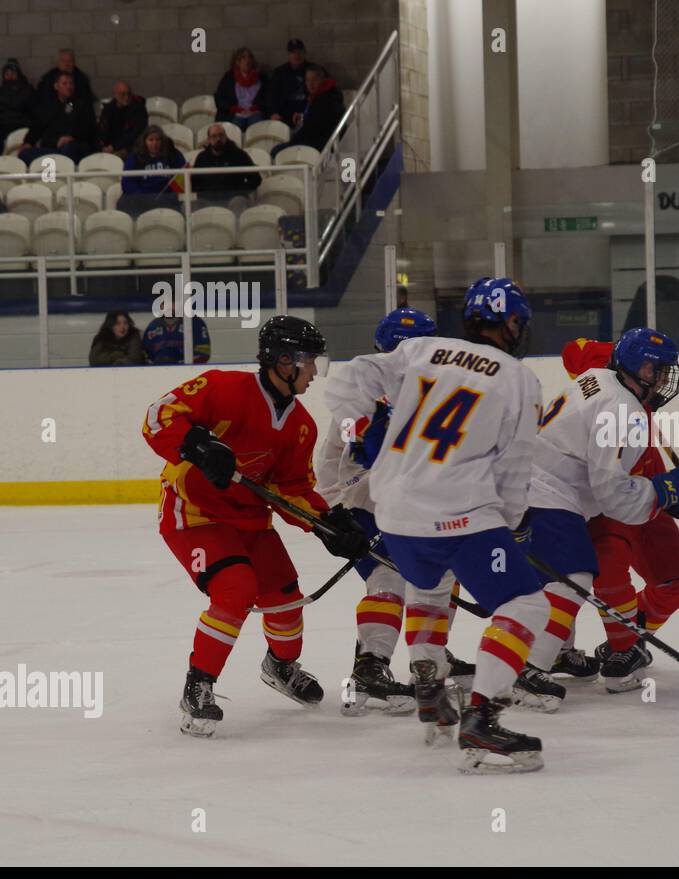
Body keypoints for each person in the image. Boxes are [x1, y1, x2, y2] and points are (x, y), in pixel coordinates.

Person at [323, 278, 552, 774]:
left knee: (429, 587)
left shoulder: (423, 350)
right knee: (527, 603)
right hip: (460, 512)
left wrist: (361, 427)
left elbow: (344, 381)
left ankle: (429, 683)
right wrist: (509, 526)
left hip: (394, 511)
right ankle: (483, 719)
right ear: (512, 323)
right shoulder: (518, 378)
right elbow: (514, 469)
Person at [142, 316, 370, 737]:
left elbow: (292, 488)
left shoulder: (301, 425)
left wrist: (327, 522)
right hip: (194, 515)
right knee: (236, 589)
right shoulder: (222, 388)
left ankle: (280, 667)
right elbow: (158, 416)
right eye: (309, 362)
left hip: (250, 521)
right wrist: (195, 443)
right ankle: (199, 685)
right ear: (284, 361)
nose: (315, 372)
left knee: (286, 599)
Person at [518, 327, 679, 702]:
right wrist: (664, 491)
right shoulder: (625, 413)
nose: (663, 379)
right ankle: (530, 669)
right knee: (572, 578)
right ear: (639, 368)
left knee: (560, 579)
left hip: (534, 485)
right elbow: (613, 497)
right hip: (550, 494)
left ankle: (534, 661)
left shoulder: (599, 377)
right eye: (658, 370)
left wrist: (664, 488)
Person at [316, 307, 474, 719]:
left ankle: (430, 654)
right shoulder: (363, 400)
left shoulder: (440, 398)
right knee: (389, 579)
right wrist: (335, 510)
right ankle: (371, 665)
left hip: (416, 507)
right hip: (366, 508)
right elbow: (332, 458)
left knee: (442, 575)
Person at [19, 71, 97, 164]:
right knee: (24, 154)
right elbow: (37, 126)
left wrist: (71, 137)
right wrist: (28, 142)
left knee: (68, 149)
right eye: (64, 83)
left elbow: (89, 128)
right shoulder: (48, 107)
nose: (69, 87)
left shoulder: (82, 105)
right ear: (56, 86)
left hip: (73, 147)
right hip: (51, 148)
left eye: (71, 83)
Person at [272, 65, 342, 156]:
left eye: (314, 80)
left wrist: (292, 142)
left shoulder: (327, 99)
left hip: (319, 144)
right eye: (307, 80)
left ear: (322, 80)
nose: (310, 84)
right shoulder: (319, 96)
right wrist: (303, 117)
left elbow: (312, 128)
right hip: (312, 139)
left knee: (276, 152)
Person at [192, 122, 261, 214]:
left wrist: (239, 191)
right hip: (207, 201)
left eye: (221, 135)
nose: (218, 139)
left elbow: (256, 178)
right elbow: (194, 182)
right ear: (209, 139)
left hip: (232, 200)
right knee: (191, 205)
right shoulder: (201, 157)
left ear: (226, 136)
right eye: (214, 136)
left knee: (238, 201)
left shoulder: (239, 154)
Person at [119, 125, 186, 216]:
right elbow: (127, 182)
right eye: (151, 140)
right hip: (142, 199)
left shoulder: (173, 154)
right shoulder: (135, 157)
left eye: (158, 140)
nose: (155, 143)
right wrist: (143, 197)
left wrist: (169, 195)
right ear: (144, 141)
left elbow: (183, 176)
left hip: (166, 199)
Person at [214, 48, 269, 131]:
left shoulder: (261, 77)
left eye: (249, 57)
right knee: (233, 130)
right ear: (237, 61)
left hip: (254, 113)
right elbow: (219, 97)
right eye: (244, 57)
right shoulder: (229, 77)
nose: (247, 60)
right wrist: (232, 108)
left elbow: (268, 96)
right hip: (236, 114)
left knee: (257, 128)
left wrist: (258, 106)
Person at [268, 39, 315, 127]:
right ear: (288, 55)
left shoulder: (314, 70)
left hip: (308, 111)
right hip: (286, 113)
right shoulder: (279, 72)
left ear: (304, 53)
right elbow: (271, 95)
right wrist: (273, 112)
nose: (297, 55)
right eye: (293, 52)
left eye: (300, 52)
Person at [97, 81, 148, 159]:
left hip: (130, 146)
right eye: (123, 94)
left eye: (129, 94)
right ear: (115, 94)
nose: (126, 97)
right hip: (110, 146)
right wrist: (102, 145)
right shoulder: (109, 109)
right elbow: (103, 130)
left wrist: (113, 147)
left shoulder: (139, 109)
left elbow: (134, 133)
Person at [142, 307, 211, 364]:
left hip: (187, 372)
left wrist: (179, 364)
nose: (168, 305)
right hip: (157, 373)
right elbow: (144, 354)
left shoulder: (195, 322)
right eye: (164, 302)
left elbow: (203, 353)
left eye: (172, 302)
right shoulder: (153, 325)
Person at [0, 59, 35, 145]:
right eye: (7, 74)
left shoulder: (27, 89)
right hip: (3, 125)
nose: (10, 76)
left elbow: (22, 106)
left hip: (22, 125)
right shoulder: (1, 90)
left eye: (13, 73)